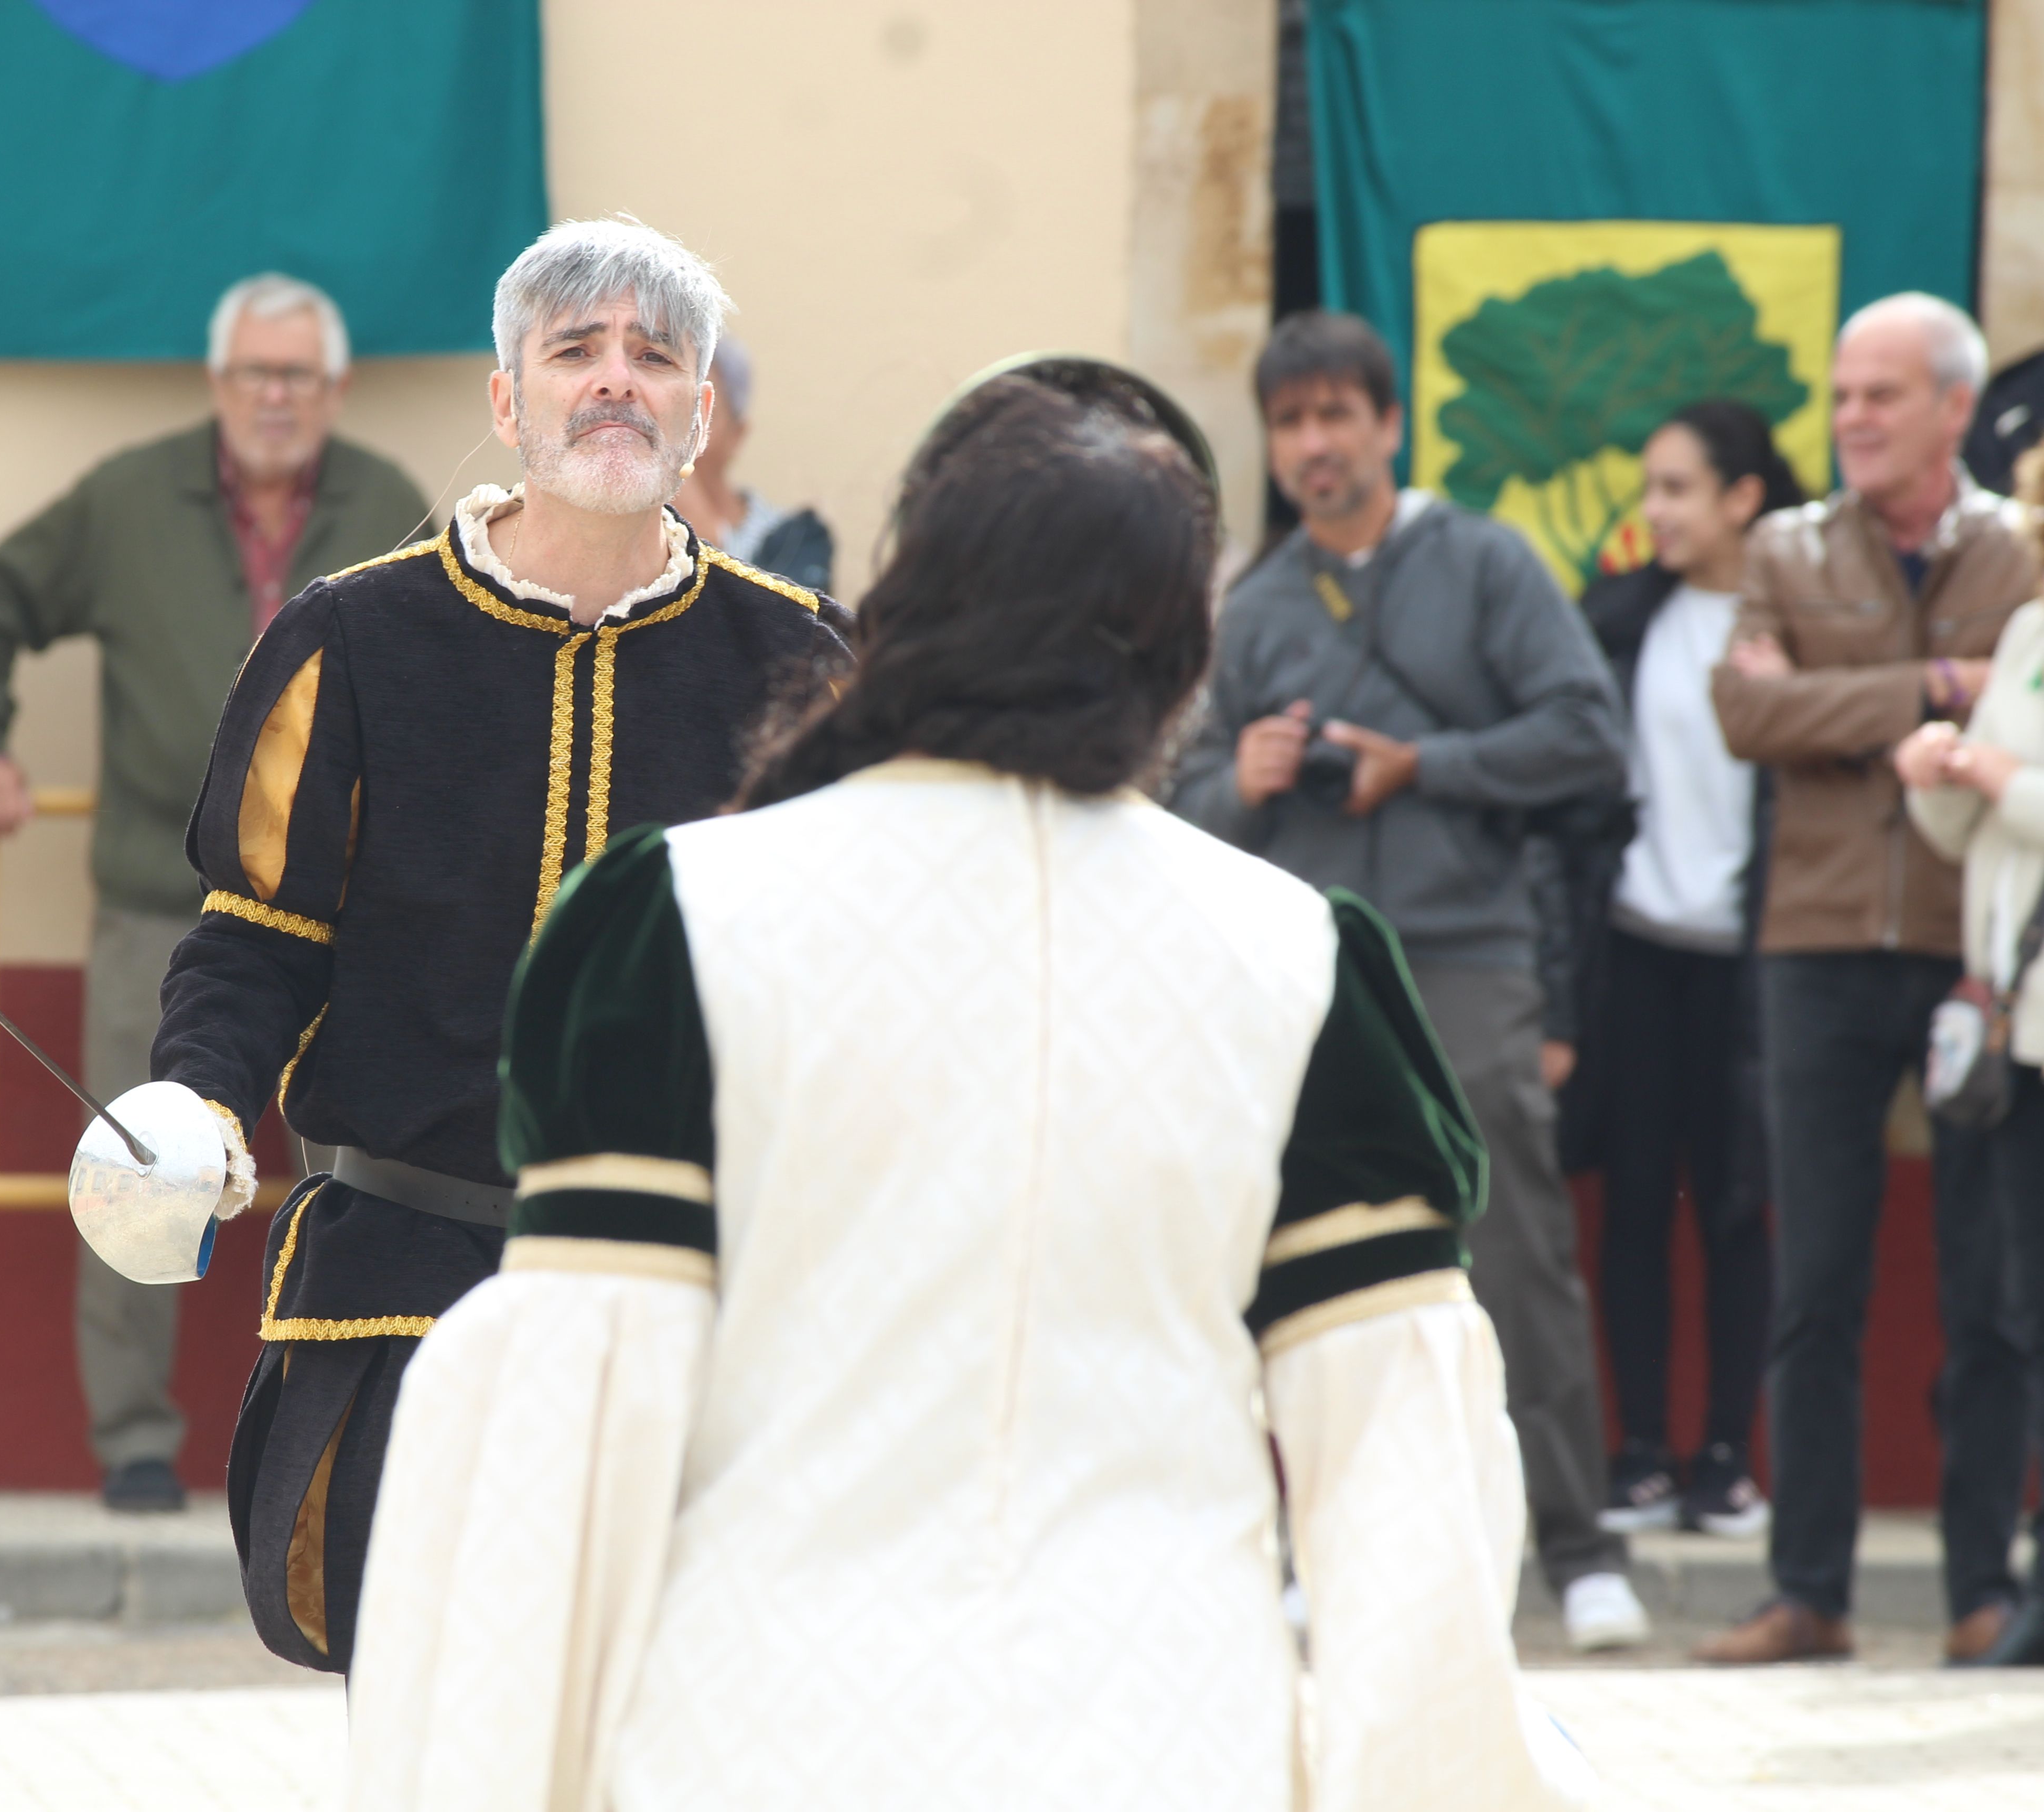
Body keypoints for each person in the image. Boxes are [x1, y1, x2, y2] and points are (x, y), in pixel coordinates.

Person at [344, 363, 1591, 1811]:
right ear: (1186, 644)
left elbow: (566, 1446)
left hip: (762, 1736)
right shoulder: (1306, 964)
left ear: (904, 602)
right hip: (1172, 1738)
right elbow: (1407, 1482)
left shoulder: (671, 924)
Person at [147, 219, 846, 1671]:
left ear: (701, 411)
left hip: (700, 1304)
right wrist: (196, 1097)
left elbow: (862, 986)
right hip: (405, 1287)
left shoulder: (803, 670)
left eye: (656, 358)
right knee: (429, 1720)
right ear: (507, 399)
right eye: (575, 351)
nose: (616, 384)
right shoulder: (351, 640)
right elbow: (260, 934)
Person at [1167, 310, 1645, 1652]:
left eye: (1337, 416)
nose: (1315, 446)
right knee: (1311, 1260)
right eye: (1291, 422)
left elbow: (1583, 736)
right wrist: (1241, 781)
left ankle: (1578, 1545)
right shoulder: (1252, 603)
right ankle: (1326, 1537)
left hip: (1468, 957)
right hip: (1306, 968)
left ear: (1388, 423)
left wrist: (1420, 766)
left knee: (1517, 1251)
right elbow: (1174, 803)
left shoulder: (1486, 564)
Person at [0, 273, 427, 1513]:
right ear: (217, 384)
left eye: (300, 377)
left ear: (337, 390)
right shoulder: (127, 497)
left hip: (347, 918)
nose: (277, 398)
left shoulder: (387, 503)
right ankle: (136, 1441)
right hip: (158, 904)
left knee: (351, 1181)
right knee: (138, 1164)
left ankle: (346, 1426)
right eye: (255, 375)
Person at [1704, 293, 2039, 1667]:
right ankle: (1810, 1592)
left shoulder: (2019, 556)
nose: (1851, 421)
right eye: (1841, 396)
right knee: (1818, 1278)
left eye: (1881, 396)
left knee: (1988, 1285)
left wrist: (1834, 699)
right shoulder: (1786, 548)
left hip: (1977, 960)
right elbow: (1746, 712)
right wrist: (1931, 688)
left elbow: (1811, 709)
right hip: (1817, 951)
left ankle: (1980, 1587)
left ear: (1956, 408)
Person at [1551, 402, 1801, 1541]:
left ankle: (1724, 1460)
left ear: (1743, 497)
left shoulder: (1797, 622)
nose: (1655, 512)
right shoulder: (1620, 621)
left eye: (1677, 489)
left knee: (1740, 1205)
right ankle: (1640, 1452)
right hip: (1639, 954)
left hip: (1754, 961)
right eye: (1649, 489)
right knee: (1639, 1202)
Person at [1897, 443, 2044, 1669]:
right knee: (2014, 1298)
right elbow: (1972, 830)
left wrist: (1999, 772)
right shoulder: (2027, 635)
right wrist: (1935, 773)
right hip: (2012, 1017)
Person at [670, 335, 835, 590]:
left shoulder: (797, 538)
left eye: (699, 410)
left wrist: (703, 541)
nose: (680, 430)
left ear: (737, 434)